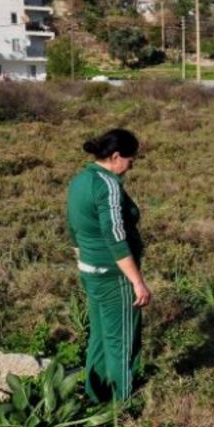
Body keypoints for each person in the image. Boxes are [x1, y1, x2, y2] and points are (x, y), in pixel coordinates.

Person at [66, 129, 151, 403]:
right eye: (130, 160)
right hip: (116, 277)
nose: (131, 166)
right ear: (115, 157)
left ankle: (95, 397)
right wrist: (137, 281)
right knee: (122, 342)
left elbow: (73, 227)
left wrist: (84, 260)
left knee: (100, 338)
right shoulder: (108, 184)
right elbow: (115, 236)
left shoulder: (80, 180)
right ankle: (121, 408)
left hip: (90, 271)